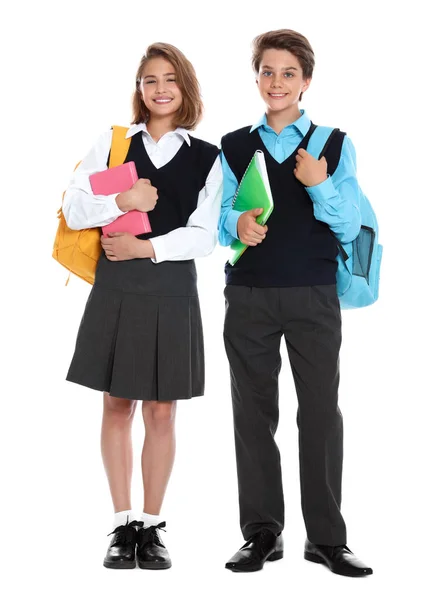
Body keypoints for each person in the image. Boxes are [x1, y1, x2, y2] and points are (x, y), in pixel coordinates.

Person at [218, 29, 372, 577]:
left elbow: (349, 224)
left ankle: (327, 539)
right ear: (256, 77)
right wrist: (236, 222)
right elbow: (220, 221)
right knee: (252, 416)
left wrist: (318, 183)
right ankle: (262, 533)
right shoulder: (235, 144)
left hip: (313, 295)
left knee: (320, 414)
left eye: (288, 73)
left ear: (306, 81)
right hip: (249, 294)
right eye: (267, 71)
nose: (276, 82)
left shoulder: (333, 143)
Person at [63, 42, 222, 570]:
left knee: (161, 408)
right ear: (139, 89)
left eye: (169, 79)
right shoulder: (113, 144)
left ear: (185, 88)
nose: (159, 89)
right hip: (117, 287)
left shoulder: (208, 157)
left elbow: (204, 236)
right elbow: (74, 205)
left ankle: (152, 528)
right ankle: (121, 523)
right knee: (115, 403)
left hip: (171, 286)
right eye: (149, 80)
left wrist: (146, 246)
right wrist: (122, 203)